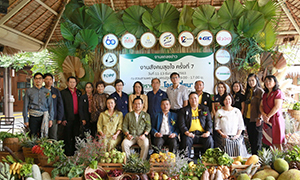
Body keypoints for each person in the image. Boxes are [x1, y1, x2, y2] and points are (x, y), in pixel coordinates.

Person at [178, 92, 214, 159]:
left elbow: (209, 122)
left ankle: (208, 161)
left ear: (198, 99)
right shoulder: (183, 110)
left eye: (195, 98)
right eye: (191, 98)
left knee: (209, 140)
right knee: (186, 140)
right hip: (190, 134)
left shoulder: (205, 109)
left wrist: (208, 132)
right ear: (189, 100)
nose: (193, 100)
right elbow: (181, 124)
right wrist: (187, 133)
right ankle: (186, 162)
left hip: (202, 134)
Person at [23, 72, 54, 137]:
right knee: (33, 136)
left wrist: (51, 119)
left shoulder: (47, 91)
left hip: (44, 116)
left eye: (40, 78)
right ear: (34, 80)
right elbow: (25, 106)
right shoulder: (29, 91)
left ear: (43, 80)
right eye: (36, 78)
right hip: (33, 116)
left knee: (42, 136)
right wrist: (26, 119)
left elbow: (50, 105)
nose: (38, 80)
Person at [260, 75, 285, 150]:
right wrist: (264, 115)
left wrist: (268, 116)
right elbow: (261, 106)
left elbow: (277, 107)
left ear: (275, 82)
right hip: (267, 120)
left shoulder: (278, 92)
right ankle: (272, 160)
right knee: (269, 141)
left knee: (277, 141)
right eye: (266, 81)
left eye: (270, 81)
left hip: (275, 119)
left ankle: (279, 159)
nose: (267, 83)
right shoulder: (264, 94)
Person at [60, 76, 82, 156]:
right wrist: (63, 118)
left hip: (77, 118)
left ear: (76, 83)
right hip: (67, 118)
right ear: (67, 83)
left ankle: (75, 153)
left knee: (76, 135)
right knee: (67, 136)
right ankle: (68, 154)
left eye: (74, 82)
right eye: (71, 82)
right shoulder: (63, 93)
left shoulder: (79, 92)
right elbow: (61, 107)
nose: (72, 84)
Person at [244, 73, 264, 155]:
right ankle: (253, 158)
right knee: (251, 140)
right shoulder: (248, 92)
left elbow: (262, 106)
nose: (251, 82)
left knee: (257, 141)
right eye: (249, 81)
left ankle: (258, 160)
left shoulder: (260, 91)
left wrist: (260, 118)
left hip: (256, 119)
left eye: (252, 80)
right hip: (248, 119)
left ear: (256, 81)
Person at [44, 73, 64, 140]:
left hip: (54, 117)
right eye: (47, 79)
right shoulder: (41, 91)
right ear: (44, 80)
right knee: (44, 135)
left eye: (50, 79)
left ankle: (54, 150)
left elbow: (60, 105)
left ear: (52, 81)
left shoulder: (56, 91)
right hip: (43, 116)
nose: (49, 81)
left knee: (53, 136)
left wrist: (60, 118)